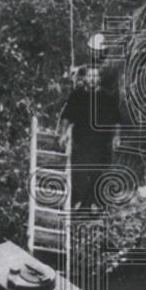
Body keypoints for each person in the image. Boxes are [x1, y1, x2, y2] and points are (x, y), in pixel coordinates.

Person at [58, 67, 121, 209]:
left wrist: (116, 137)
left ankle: (94, 205)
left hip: (101, 143)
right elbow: (67, 116)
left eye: (95, 76)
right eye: (89, 76)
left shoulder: (107, 97)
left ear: (99, 79)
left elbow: (116, 119)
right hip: (82, 141)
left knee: (98, 173)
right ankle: (76, 203)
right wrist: (63, 134)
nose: (92, 79)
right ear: (85, 78)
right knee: (79, 172)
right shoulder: (77, 95)